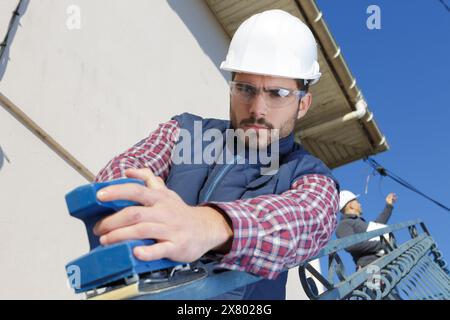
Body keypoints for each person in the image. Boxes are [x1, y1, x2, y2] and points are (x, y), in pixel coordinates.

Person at [92, 9, 340, 300]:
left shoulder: (310, 175)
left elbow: (306, 224)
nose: (257, 108)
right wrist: (130, 200)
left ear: (303, 103)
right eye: (245, 89)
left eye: (277, 94)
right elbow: (122, 171)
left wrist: (208, 225)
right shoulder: (185, 132)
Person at [336, 190, 398, 269]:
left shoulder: (359, 222)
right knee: (373, 282)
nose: (360, 204)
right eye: (357, 202)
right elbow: (350, 245)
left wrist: (388, 206)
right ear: (350, 206)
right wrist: (381, 244)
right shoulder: (344, 224)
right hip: (369, 267)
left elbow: (377, 227)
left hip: (381, 264)